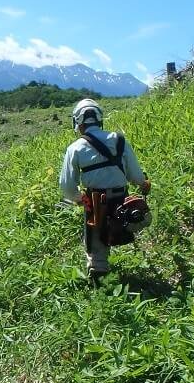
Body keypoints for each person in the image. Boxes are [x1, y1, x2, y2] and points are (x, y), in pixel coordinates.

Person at [59, 98, 150, 280]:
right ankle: (124, 230)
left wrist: (79, 198)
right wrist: (143, 184)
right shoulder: (119, 141)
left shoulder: (75, 148)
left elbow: (67, 186)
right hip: (122, 200)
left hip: (95, 202)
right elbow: (136, 175)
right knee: (139, 218)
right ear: (100, 119)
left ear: (77, 122)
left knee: (96, 240)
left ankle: (98, 270)